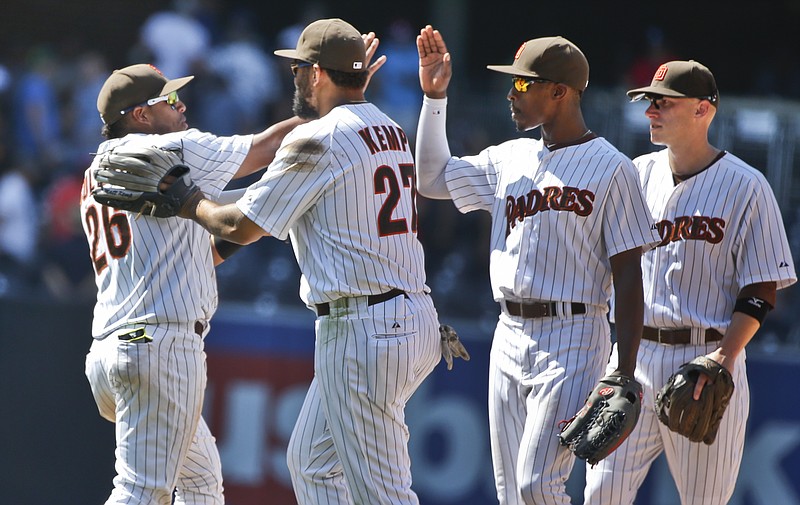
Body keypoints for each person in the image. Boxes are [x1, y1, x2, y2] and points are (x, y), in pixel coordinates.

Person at [103, 18, 448, 504]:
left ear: (317, 75)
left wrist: (184, 200)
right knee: (312, 463)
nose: (293, 78)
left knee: (383, 495)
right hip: (405, 314)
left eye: (298, 69)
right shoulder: (388, 126)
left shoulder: (319, 139)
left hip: (367, 327)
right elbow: (255, 221)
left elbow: (237, 226)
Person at [415, 26, 660, 504]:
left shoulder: (613, 168)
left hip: (573, 335)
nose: (511, 94)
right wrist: (435, 98)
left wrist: (625, 370)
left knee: (536, 486)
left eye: (523, 84)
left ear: (559, 91)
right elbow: (430, 179)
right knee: (512, 493)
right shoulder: (509, 157)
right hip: (508, 332)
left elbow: (630, 276)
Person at [79, 62, 306, 504]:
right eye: (168, 99)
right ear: (140, 115)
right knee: (141, 491)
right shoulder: (170, 148)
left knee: (201, 485)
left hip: (113, 349)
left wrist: (259, 215)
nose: (180, 104)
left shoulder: (97, 171)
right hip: (159, 344)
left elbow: (205, 252)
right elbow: (271, 146)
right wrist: (336, 108)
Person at [584, 60, 797, 505]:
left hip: (706, 363)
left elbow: (761, 289)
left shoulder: (746, 186)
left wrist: (725, 356)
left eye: (663, 102)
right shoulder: (635, 175)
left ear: (703, 110)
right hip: (632, 358)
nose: (651, 112)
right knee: (601, 494)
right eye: (649, 102)